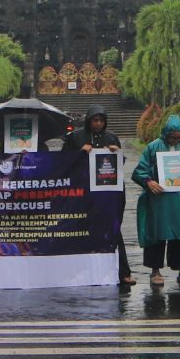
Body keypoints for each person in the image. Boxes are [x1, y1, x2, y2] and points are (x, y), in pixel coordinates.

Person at [63, 104, 135, 286]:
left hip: (108, 193)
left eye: (102, 120)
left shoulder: (111, 137)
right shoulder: (76, 137)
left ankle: (123, 272)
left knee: (113, 230)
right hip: (83, 192)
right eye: (95, 120)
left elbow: (119, 164)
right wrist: (80, 153)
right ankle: (81, 273)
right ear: (89, 120)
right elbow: (63, 162)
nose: (98, 124)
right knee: (81, 229)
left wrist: (117, 153)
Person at [132, 115, 180, 286]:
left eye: (179, 137)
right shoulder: (153, 147)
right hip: (159, 199)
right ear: (166, 134)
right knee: (157, 232)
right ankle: (155, 270)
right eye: (172, 137)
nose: (175, 140)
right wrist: (149, 181)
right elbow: (140, 170)